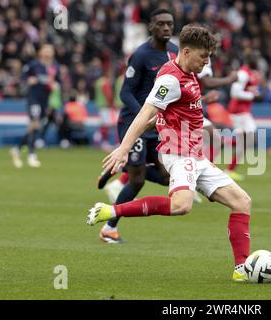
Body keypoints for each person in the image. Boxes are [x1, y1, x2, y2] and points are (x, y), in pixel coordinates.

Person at [87, 25, 252, 282]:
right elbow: (146, 113)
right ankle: (112, 211)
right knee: (181, 205)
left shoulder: (188, 73)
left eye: (209, 57)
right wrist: (124, 147)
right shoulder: (170, 79)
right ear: (186, 52)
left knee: (242, 202)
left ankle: (242, 270)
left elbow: (166, 113)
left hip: (196, 155)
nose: (207, 62)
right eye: (203, 57)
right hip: (179, 154)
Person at [97, 8, 178, 244]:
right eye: (161, 23)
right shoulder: (141, 55)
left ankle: (124, 167)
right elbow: (125, 92)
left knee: (165, 177)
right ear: (151, 26)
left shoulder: (174, 53)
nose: (166, 28)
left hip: (158, 126)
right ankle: (108, 229)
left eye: (169, 24)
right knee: (138, 181)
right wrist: (144, 118)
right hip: (135, 124)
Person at [10, 44, 59, 168]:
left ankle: (17, 148)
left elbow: (58, 82)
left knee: (36, 126)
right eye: (46, 49)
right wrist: (29, 80)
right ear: (41, 52)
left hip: (45, 100)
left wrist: (56, 85)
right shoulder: (34, 65)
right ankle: (31, 154)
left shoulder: (55, 67)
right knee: (35, 123)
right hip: (34, 98)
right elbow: (23, 77)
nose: (48, 52)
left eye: (50, 50)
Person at [226, 55, 260, 181]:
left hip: (242, 111)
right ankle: (224, 142)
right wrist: (251, 95)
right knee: (249, 139)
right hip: (239, 111)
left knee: (245, 141)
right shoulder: (243, 74)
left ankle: (230, 169)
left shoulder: (249, 73)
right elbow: (235, 93)